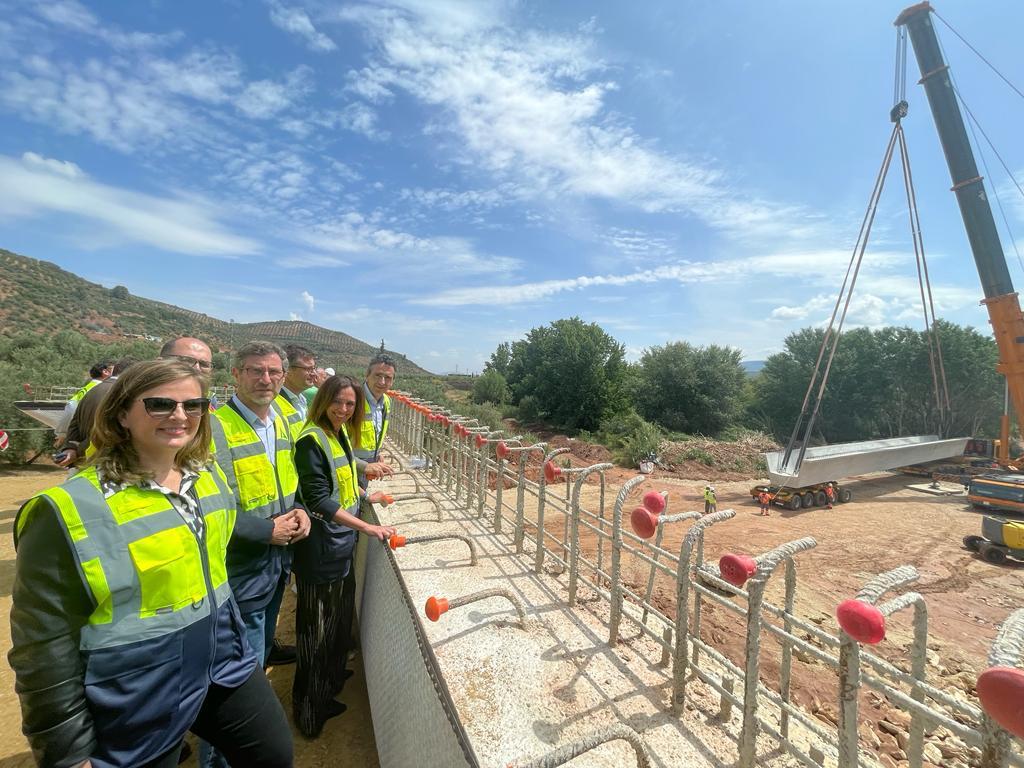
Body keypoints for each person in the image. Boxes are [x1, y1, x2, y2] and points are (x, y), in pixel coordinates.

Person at [9, 358, 294, 768]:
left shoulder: (207, 479)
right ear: (122, 413)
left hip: (223, 660)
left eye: (193, 406)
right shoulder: (67, 509)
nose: (180, 416)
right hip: (138, 685)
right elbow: (43, 644)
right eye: (160, 404)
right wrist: (66, 752)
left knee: (272, 754)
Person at [291, 375, 395, 738]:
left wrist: (369, 499)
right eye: (338, 401)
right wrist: (367, 528)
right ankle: (309, 711)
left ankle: (331, 680)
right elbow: (318, 498)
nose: (344, 408)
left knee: (336, 621)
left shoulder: (339, 436)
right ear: (324, 401)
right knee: (316, 631)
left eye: (351, 404)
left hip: (340, 545)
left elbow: (347, 483)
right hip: (320, 548)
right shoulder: (311, 440)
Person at [58, 357, 139, 468]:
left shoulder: (92, 389)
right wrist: (78, 451)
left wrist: (71, 447)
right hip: (105, 463)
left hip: (83, 463)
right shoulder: (120, 393)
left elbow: (75, 422)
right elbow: (104, 430)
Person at [355, 354, 397, 484]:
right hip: (346, 468)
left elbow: (373, 433)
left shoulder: (386, 402)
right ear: (367, 374)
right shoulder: (353, 400)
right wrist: (364, 465)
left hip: (368, 468)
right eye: (378, 375)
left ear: (393, 381)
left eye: (388, 378)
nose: (382, 382)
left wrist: (376, 454)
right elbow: (334, 444)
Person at [54, 360, 113, 447]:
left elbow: (70, 408)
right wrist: (63, 434)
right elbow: (71, 408)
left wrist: (62, 434)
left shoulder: (87, 388)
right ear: (105, 372)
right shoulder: (98, 388)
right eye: (114, 370)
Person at [276, 344, 317, 439]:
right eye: (308, 369)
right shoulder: (274, 404)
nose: (314, 374)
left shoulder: (301, 399)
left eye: (314, 368)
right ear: (288, 371)